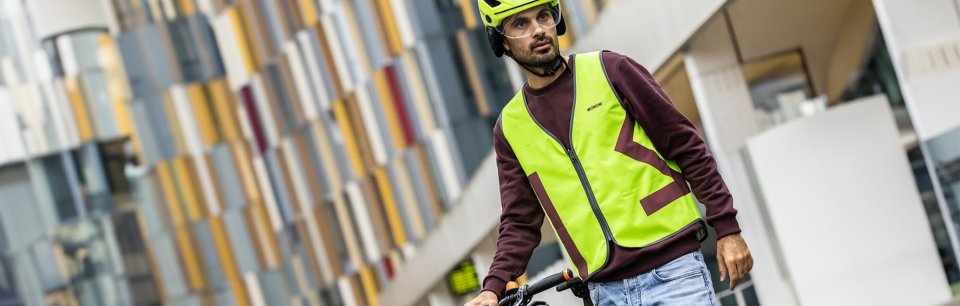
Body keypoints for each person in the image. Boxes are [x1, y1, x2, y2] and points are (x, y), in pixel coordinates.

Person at [464, 1, 753, 305]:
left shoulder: (611, 70)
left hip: (672, 271)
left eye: (544, 17)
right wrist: (492, 288)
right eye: (520, 24)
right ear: (502, 41)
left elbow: (686, 146)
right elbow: (519, 221)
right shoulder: (510, 128)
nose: (538, 30)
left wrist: (727, 228)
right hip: (605, 292)